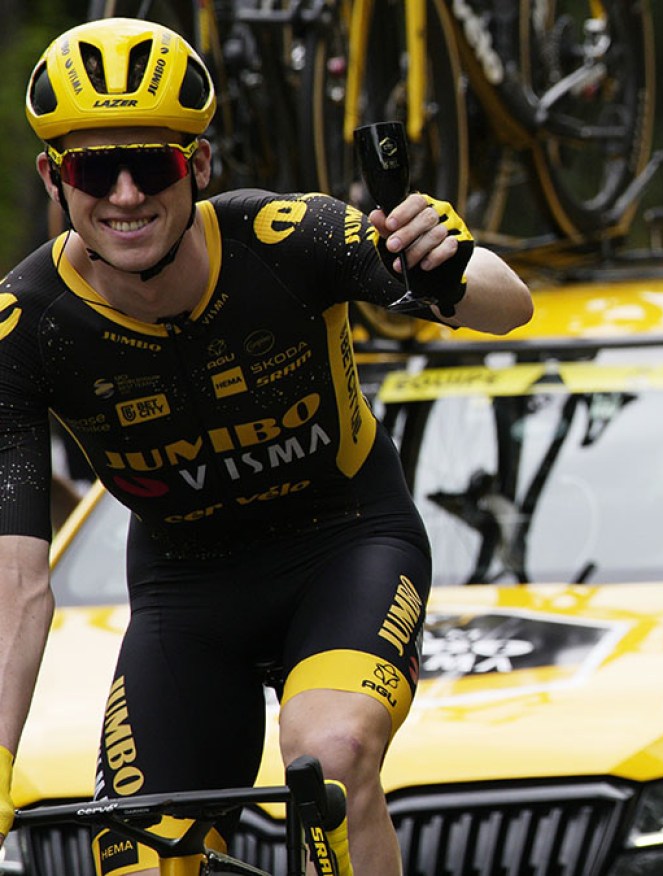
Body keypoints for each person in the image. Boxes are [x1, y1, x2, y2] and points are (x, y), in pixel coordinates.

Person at [0, 16, 531, 876]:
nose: (127, 194)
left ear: (199, 167)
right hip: (185, 592)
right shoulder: (23, 329)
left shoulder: (289, 238)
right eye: (97, 169)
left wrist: (452, 257)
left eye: (156, 165)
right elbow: (16, 586)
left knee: (329, 756)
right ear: (54, 179)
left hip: (345, 543)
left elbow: (512, 307)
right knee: (136, 857)